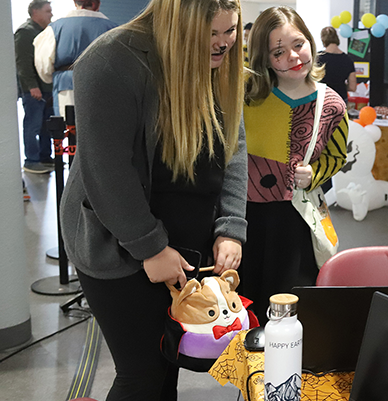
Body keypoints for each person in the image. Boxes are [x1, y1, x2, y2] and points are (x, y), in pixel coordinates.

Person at [59, 0, 246, 399]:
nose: (222, 45)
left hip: (183, 240)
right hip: (119, 242)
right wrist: (150, 246)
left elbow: (233, 146)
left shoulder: (219, 64)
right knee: (141, 373)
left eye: (229, 32)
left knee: (166, 366)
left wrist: (231, 226)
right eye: (210, 35)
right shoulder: (111, 60)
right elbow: (107, 171)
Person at [238, 6, 348, 319]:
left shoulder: (332, 106)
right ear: (264, 57)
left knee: (288, 313)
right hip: (245, 221)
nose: (293, 57)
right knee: (244, 312)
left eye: (298, 44)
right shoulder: (246, 96)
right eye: (278, 52)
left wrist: (315, 173)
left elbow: (336, 156)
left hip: (295, 222)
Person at [33, 0, 117, 117]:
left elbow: (44, 68)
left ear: (75, 2)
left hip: (67, 88)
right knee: (103, 129)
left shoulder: (54, 29)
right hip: (105, 86)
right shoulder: (115, 30)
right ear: (97, 4)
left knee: (69, 129)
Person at [15, 0, 53, 174]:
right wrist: (31, 87)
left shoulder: (43, 32)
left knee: (46, 125)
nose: (51, 15)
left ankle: (45, 158)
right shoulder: (25, 32)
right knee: (33, 125)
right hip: (34, 89)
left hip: (45, 87)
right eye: (48, 11)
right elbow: (22, 63)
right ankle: (31, 161)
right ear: (35, 12)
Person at [317, 26, 356, 102]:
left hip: (323, 98)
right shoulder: (348, 59)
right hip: (340, 98)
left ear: (323, 40)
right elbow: (353, 87)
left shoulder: (318, 58)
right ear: (337, 38)